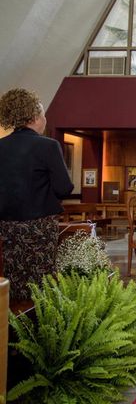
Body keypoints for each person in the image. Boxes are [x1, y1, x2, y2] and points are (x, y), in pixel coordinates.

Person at [0, 89, 73, 302]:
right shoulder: (48, 146)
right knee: (41, 286)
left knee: (10, 280)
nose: (44, 119)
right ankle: (38, 330)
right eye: (42, 114)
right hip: (38, 229)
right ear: (33, 117)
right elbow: (63, 188)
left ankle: (10, 328)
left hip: (6, 228)